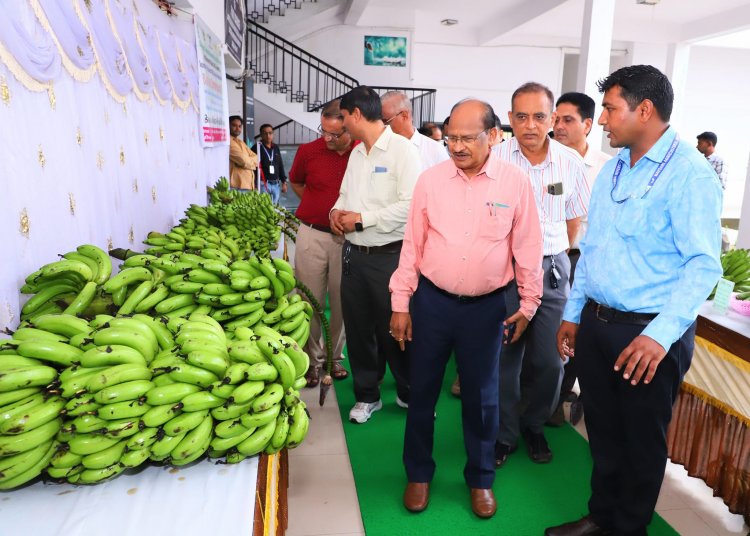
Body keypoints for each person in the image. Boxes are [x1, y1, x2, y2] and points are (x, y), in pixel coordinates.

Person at [546, 65, 723, 536]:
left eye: (609, 108)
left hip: (649, 332)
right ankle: (601, 516)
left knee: (640, 443)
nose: (601, 119)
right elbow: (594, 246)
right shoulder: (613, 169)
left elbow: (703, 266)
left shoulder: (690, 173)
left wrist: (661, 336)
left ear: (644, 110)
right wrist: (574, 312)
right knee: (602, 434)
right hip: (599, 324)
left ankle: (628, 529)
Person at [390, 99, 543, 519]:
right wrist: (400, 302)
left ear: (493, 136)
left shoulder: (514, 184)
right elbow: (412, 247)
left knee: (482, 398)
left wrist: (529, 304)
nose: (456, 146)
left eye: (466, 138)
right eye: (450, 137)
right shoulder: (430, 181)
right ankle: (418, 474)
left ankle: (480, 479)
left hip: (487, 308)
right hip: (432, 303)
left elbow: (528, 248)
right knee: (422, 391)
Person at [493, 82, 590, 467]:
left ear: (552, 119)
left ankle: (533, 424)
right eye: (521, 116)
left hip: (552, 269)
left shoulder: (570, 162)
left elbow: (574, 219)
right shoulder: (495, 159)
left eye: (538, 116)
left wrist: (554, 258)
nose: (529, 125)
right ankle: (504, 434)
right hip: (504, 272)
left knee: (551, 362)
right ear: (510, 118)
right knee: (504, 361)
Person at [330, 85, 421, 424]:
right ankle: (367, 395)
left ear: (356, 114)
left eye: (343, 117)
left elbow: (411, 205)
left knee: (396, 327)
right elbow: (344, 195)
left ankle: (409, 389)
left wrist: (363, 219)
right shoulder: (356, 153)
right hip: (354, 255)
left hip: (390, 256)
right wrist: (337, 213)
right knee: (358, 327)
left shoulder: (402, 151)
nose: (341, 124)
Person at [551, 91, 612, 425]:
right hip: (551, 259)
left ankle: (567, 396)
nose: (558, 126)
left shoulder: (607, 167)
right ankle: (548, 396)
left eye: (567, 120)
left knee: (581, 331)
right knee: (553, 331)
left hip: (586, 262)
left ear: (588, 124)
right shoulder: (547, 160)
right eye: (555, 119)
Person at [288, 100, 355, 387]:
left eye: (335, 134)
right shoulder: (308, 151)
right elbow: (296, 182)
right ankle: (310, 360)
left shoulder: (362, 153)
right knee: (309, 300)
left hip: (348, 239)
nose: (327, 139)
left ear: (351, 126)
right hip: (311, 234)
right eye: (324, 131)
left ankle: (334, 357)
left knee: (342, 301)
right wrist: (317, 206)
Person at [380, 91, 449, 171]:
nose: (382, 125)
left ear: (404, 115)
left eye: (386, 121)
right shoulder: (380, 148)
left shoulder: (435, 150)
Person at [252, 124, 287, 203]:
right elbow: (252, 167)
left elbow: (280, 165)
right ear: (261, 135)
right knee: (264, 209)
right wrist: (254, 183)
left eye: (270, 133)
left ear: (273, 134)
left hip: (276, 183)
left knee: (275, 209)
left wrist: (284, 182)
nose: (268, 135)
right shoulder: (256, 147)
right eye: (265, 133)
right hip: (263, 184)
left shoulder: (275, 147)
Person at [228, 115, 258, 191]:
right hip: (237, 186)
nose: (237, 128)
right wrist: (253, 164)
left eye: (239, 126)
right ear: (228, 125)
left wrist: (247, 162)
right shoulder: (228, 142)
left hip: (247, 185)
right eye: (234, 125)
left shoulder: (240, 142)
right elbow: (243, 161)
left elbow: (256, 157)